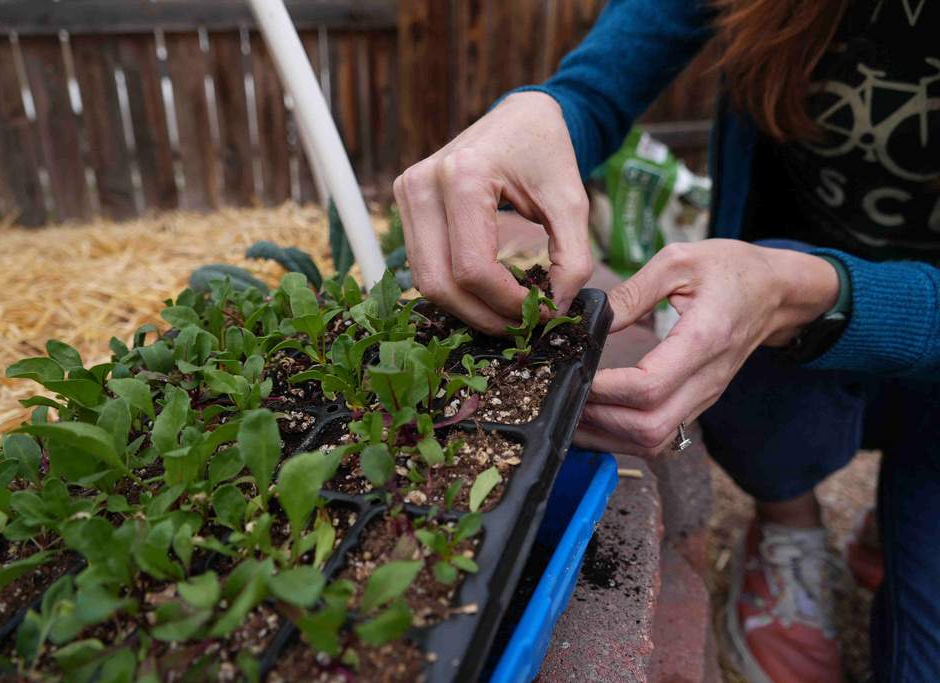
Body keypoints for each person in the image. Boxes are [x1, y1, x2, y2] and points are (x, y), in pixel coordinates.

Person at [392, 0, 940, 681]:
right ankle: (788, 515)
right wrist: (545, 109)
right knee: (764, 400)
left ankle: (895, 521)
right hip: (793, 364)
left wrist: (815, 291)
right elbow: (600, 83)